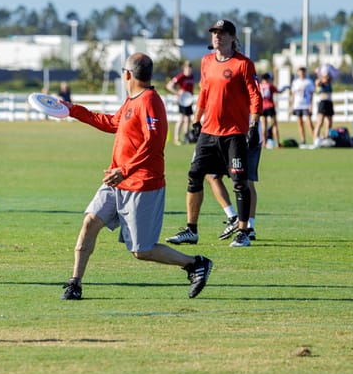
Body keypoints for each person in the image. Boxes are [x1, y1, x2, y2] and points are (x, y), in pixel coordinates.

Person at [60, 52, 212, 301]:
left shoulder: (150, 101)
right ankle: (74, 283)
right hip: (116, 182)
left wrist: (125, 169)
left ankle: (195, 264)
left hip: (142, 184)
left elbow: (154, 142)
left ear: (127, 74)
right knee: (89, 223)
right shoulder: (132, 100)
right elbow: (111, 123)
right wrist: (73, 110)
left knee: (142, 250)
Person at [166, 19, 262, 248]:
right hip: (209, 132)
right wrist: (197, 120)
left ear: (232, 38)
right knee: (194, 175)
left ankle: (243, 231)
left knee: (240, 182)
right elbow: (204, 93)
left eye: (222, 33)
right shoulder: (206, 61)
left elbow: (255, 96)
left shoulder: (244, 64)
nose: (217, 36)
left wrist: (254, 125)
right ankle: (191, 230)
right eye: (214, 33)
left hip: (234, 133)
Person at [206, 117, 263, 242]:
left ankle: (239, 222)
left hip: (234, 134)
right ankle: (245, 225)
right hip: (233, 133)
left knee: (243, 181)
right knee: (214, 176)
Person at [165, 60, 195, 145]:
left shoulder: (191, 76)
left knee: (188, 119)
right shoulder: (180, 77)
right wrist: (177, 92)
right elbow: (169, 86)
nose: (189, 71)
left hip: (189, 100)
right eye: (187, 69)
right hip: (182, 101)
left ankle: (186, 137)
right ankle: (176, 138)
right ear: (184, 69)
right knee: (182, 119)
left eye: (190, 69)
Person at [290, 66, 315, 146]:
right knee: (300, 123)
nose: (301, 73)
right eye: (300, 72)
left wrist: (311, 105)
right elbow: (293, 95)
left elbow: (311, 95)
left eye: (303, 72)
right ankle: (303, 140)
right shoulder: (295, 82)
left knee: (309, 122)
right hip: (297, 105)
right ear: (298, 73)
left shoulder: (309, 82)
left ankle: (315, 139)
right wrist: (291, 106)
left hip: (306, 105)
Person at [314, 64, 337, 141]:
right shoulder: (321, 83)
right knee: (320, 122)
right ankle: (316, 139)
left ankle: (327, 137)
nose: (327, 77)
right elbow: (317, 84)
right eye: (326, 75)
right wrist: (319, 75)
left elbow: (335, 73)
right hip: (323, 103)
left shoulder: (329, 83)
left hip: (329, 103)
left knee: (329, 122)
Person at [259, 73, 281, 147]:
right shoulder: (270, 86)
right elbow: (278, 91)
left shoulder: (259, 86)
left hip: (262, 107)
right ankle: (277, 143)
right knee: (274, 125)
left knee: (263, 126)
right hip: (270, 107)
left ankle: (264, 143)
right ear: (268, 79)